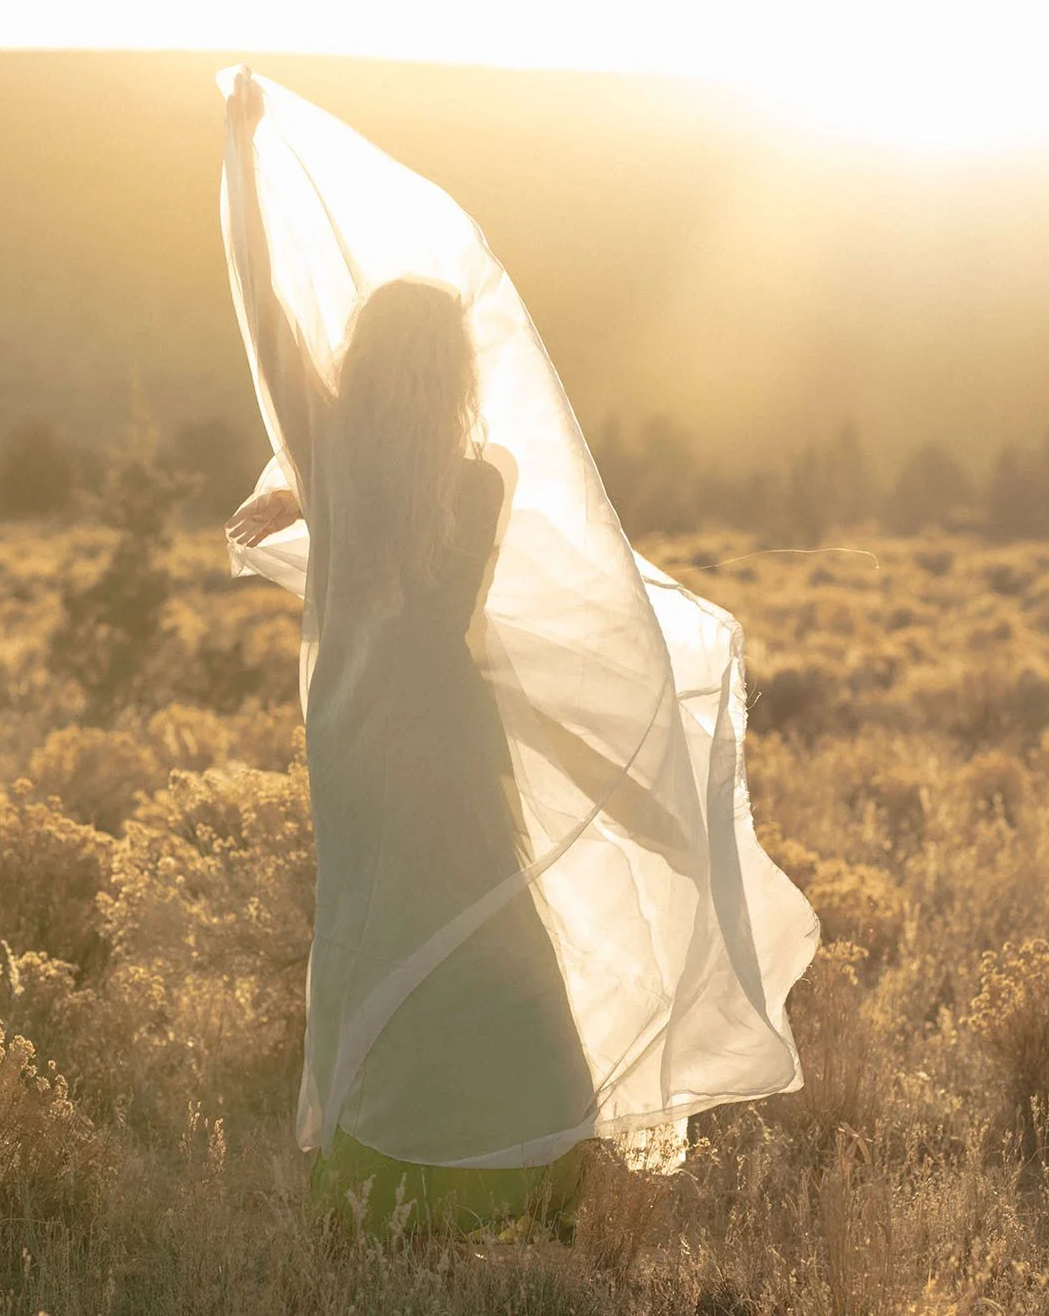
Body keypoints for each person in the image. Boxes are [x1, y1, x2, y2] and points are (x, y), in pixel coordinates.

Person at [215, 67, 815, 1238]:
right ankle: (523, 1173)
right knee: (490, 939)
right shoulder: (481, 481)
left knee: (373, 940)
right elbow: (467, 611)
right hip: (449, 736)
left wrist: (243, 162)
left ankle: (380, 1180)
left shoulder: (325, 448)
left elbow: (264, 297)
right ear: (453, 377)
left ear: (365, 361)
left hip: (353, 747)